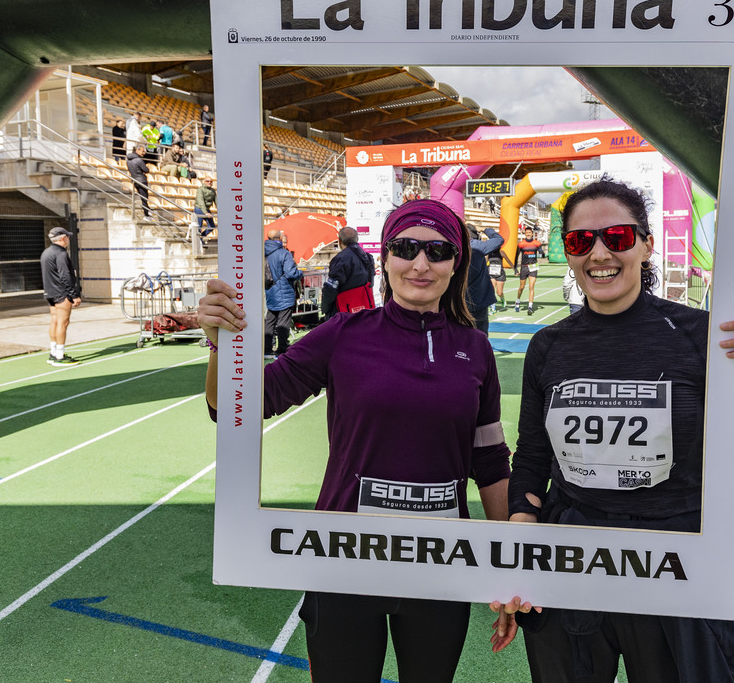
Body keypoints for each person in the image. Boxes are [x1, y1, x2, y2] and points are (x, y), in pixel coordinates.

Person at [199, 198, 511, 683]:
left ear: (457, 263)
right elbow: (234, 408)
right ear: (385, 258)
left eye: (438, 251)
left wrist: (512, 569)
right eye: (406, 248)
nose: (421, 263)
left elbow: (490, 462)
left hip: (441, 562)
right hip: (343, 557)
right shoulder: (344, 334)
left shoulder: (474, 349)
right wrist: (221, 342)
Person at [496, 177, 734, 682]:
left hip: (681, 559)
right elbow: (531, 458)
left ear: (647, 244)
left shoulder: (704, 336)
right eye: (580, 241)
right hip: (574, 555)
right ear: (567, 252)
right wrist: (521, 536)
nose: (600, 253)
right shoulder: (548, 347)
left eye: (619, 237)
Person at [40, 226, 82, 366]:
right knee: (63, 323)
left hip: (50, 292)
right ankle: (59, 356)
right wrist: (74, 295)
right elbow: (65, 276)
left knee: (55, 321)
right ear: (63, 238)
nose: (69, 239)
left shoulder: (46, 252)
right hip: (61, 293)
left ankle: (53, 352)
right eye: (67, 237)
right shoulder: (61, 254)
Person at [320, 226, 376, 317]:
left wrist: (325, 308)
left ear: (339, 241)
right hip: (364, 309)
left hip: (343, 311)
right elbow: (370, 283)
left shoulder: (341, 259)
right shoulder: (368, 257)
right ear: (357, 239)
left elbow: (331, 287)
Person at [264, 228, 302, 357]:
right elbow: (291, 273)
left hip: (270, 289)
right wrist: (300, 273)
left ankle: (267, 349)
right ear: (279, 238)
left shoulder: (262, 252)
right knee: (283, 322)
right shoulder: (284, 253)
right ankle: (281, 349)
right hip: (284, 290)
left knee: (270, 320)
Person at [466, 224, 504, 334]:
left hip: (457, 301)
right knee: (480, 336)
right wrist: (485, 229)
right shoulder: (477, 245)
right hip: (479, 300)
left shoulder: (454, 245)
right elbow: (499, 239)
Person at [514, 226, 542, 315]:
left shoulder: (537, 243)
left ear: (532, 233)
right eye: (527, 233)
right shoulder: (521, 244)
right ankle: (517, 301)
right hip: (524, 267)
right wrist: (515, 269)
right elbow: (516, 256)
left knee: (531, 287)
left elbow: (541, 252)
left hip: (533, 266)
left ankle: (530, 307)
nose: (528, 234)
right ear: (524, 234)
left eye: (530, 233)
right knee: (521, 287)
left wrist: (542, 252)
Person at [126, 143, 152, 219]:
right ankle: (146, 214)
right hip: (141, 180)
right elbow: (146, 170)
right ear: (137, 150)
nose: (144, 153)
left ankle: (148, 212)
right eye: (142, 151)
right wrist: (143, 171)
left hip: (135, 180)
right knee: (144, 198)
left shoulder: (128, 160)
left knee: (143, 197)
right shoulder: (138, 160)